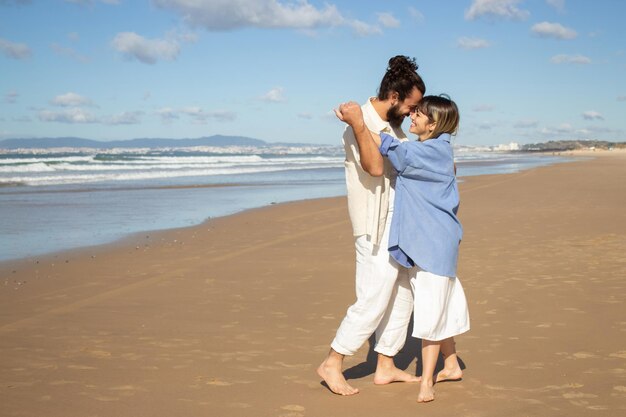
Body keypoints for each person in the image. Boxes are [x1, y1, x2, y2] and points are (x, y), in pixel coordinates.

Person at [335, 95, 470, 403]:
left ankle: (427, 382)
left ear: (433, 124)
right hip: (433, 240)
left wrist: (358, 119)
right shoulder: (437, 150)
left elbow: (390, 147)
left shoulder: (430, 152)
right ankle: (451, 365)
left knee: (432, 314)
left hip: (432, 243)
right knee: (442, 305)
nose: (412, 117)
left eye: (418, 114)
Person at [316, 56, 425, 396]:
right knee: (374, 296)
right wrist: (360, 126)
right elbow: (375, 168)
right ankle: (333, 361)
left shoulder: (393, 127)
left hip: (398, 224)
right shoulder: (358, 121)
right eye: (411, 106)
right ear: (394, 96)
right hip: (373, 225)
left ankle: (386, 363)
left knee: (403, 291)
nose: (412, 113)